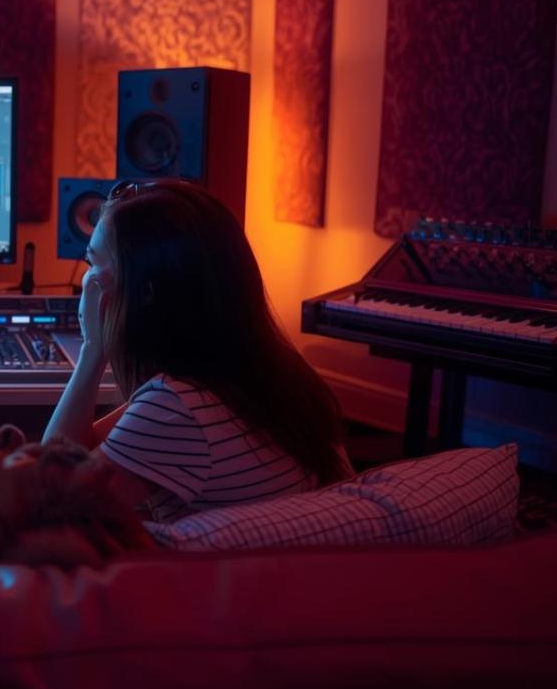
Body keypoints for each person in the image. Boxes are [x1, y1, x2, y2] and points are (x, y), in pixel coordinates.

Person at [43, 179, 351, 522]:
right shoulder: (270, 375)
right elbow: (72, 456)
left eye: (95, 264)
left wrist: (92, 351)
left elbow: (48, 500)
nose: (88, 282)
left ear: (144, 292)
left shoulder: (176, 409)